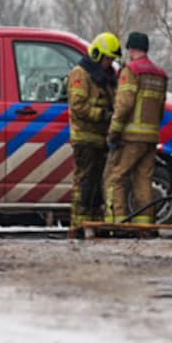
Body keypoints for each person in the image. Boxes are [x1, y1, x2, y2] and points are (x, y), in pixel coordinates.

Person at [104, 31, 169, 225]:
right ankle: (144, 225)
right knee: (143, 181)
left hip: (131, 137)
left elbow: (124, 105)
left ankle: (118, 221)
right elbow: (161, 109)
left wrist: (114, 131)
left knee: (116, 177)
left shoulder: (131, 71)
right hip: (151, 137)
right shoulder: (160, 75)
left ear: (131, 49)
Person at [67, 32, 120, 231]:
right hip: (85, 138)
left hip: (102, 139)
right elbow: (78, 106)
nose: (110, 63)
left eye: (112, 59)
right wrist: (103, 115)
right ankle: (79, 225)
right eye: (108, 58)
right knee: (85, 183)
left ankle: (96, 225)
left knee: (98, 186)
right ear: (97, 54)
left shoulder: (106, 77)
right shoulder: (81, 73)